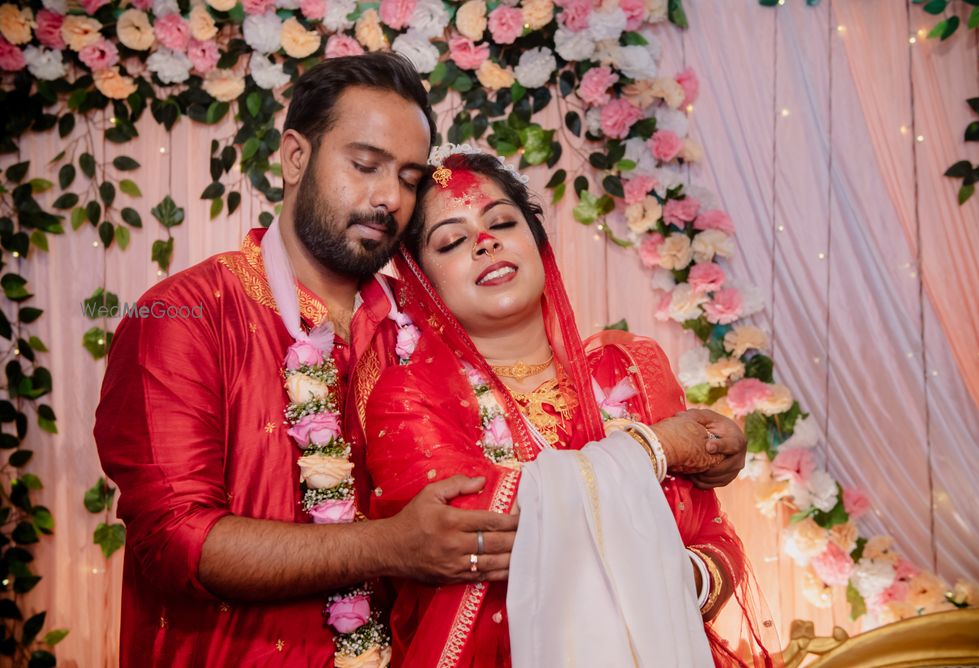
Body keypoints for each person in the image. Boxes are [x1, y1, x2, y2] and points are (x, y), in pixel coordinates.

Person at [93, 54, 747, 666]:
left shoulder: (425, 320)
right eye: (366, 164)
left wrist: (695, 451)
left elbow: (546, 471)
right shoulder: (185, 314)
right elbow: (172, 541)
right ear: (296, 155)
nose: (389, 198)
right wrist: (390, 546)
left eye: (408, 177)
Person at [358, 148, 774, 667]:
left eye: (501, 223)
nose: (485, 244)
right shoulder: (411, 399)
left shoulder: (628, 367)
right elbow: (480, 535)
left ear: (536, 241)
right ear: (425, 283)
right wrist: (656, 447)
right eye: (453, 240)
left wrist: (667, 587)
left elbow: (708, 534)